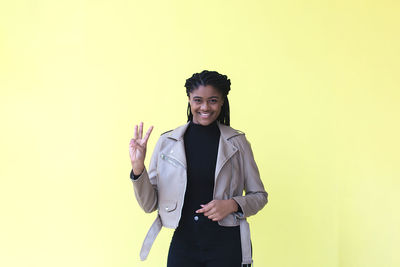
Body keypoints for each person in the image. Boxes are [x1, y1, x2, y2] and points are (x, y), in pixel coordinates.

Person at [129, 70, 268, 267]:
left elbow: (259, 196)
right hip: (184, 246)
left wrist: (232, 204)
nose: (205, 107)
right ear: (189, 100)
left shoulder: (238, 143)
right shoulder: (167, 143)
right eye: (198, 100)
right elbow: (149, 205)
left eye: (212, 100)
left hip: (227, 245)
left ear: (222, 101)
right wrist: (138, 168)